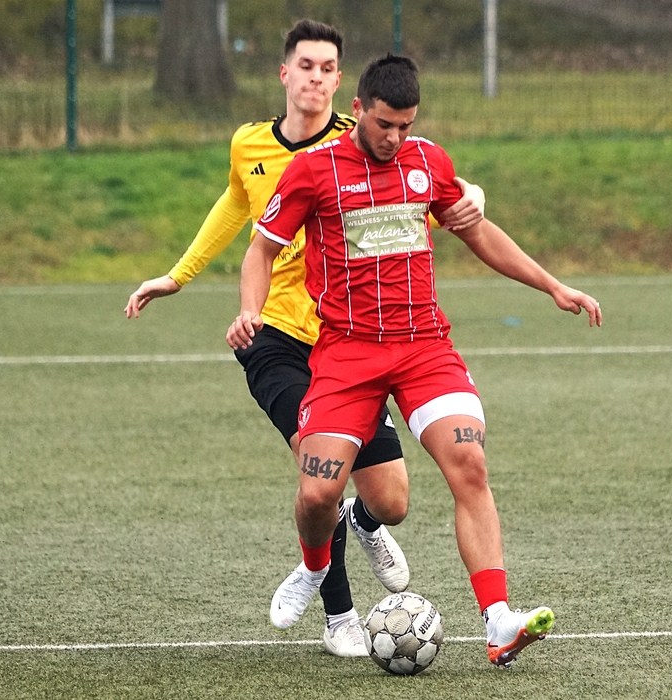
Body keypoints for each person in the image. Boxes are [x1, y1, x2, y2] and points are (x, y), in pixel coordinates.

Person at [228, 54, 603, 667]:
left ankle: (499, 620)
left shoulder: (428, 162)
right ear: (358, 109)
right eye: (384, 124)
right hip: (347, 352)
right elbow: (261, 251)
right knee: (318, 493)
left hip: (425, 346)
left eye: (405, 125)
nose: (394, 138)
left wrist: (553, 285)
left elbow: (477, 231)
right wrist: (250, 309)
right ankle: (315, 566)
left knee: (470, 465)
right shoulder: (314, 171)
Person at [125, 22, 486, 657]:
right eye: (306, 65)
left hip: (350, 342)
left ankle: (363, 524)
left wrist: (473, 196)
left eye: (327, 68)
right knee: (321, 476)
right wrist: (179, 276)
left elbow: (434, 180)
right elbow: (234, 209)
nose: (316, 77)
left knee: (392, 500)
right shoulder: (249, 144)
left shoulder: (368, 138)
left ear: (342, 83)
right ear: (284, 73)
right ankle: (338, 615)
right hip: (279, 338)